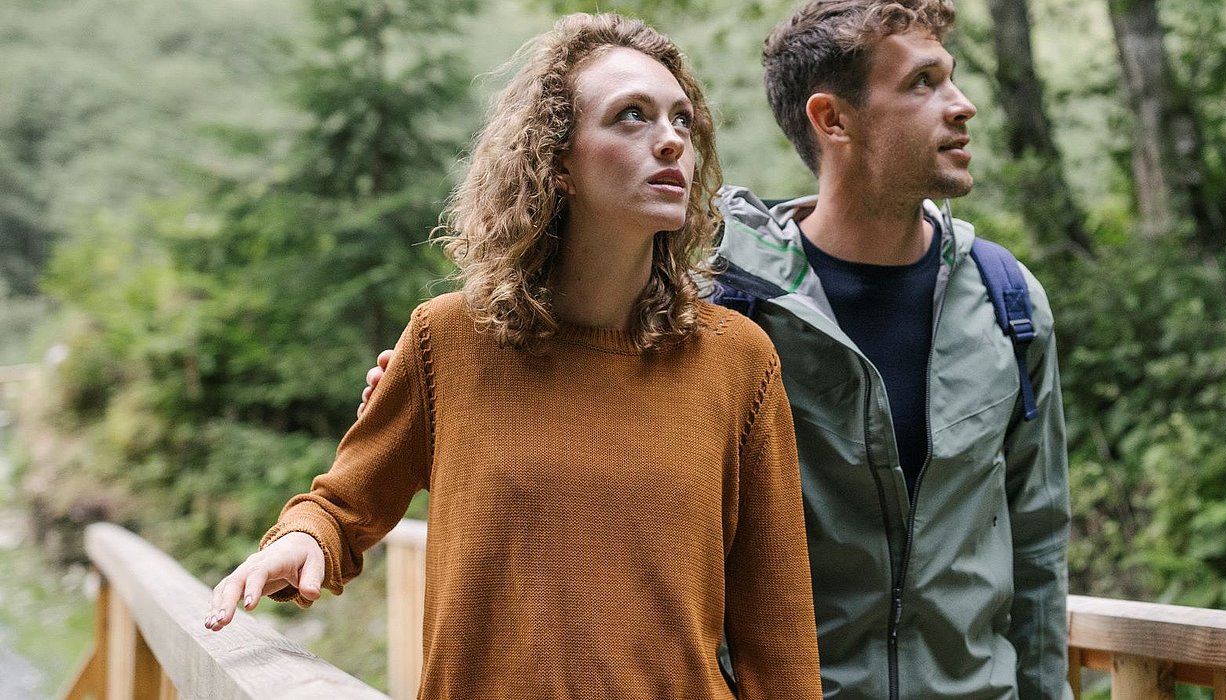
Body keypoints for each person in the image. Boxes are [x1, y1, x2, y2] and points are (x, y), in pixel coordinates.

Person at [364, 2, 1070, 697]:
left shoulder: (1005, 303)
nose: (962, 104)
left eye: (682, 121)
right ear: (832, 119)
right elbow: (566, 358)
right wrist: (435, 390)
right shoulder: (726, 306)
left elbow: (1037, 543)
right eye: (923, 82)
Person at [207, 13, 820, 699]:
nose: (672, 140)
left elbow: (778, 632)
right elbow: (344, 505)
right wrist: (305, 543)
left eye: (682, 119)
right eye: (632, 117)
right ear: (558, 162)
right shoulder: (448, 341)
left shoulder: (738, 361)